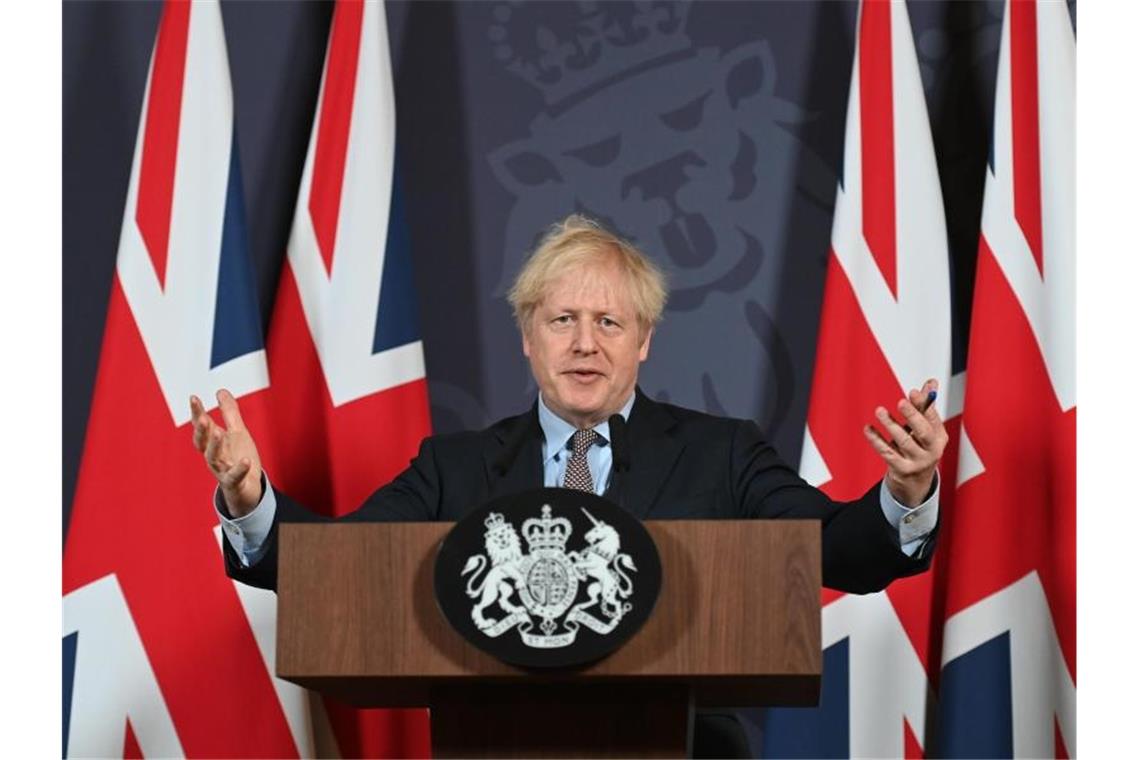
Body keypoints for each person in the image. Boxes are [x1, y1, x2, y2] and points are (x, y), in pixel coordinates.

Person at [192, 213, 947, 755]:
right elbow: (339, 570)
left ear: (645, 341)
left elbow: (836, 550)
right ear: (527, 338)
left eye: (610, 323)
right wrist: (251, 498)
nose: (585, 344)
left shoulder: (722, 456)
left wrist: (905, 494)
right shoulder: (454, 467)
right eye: (562, 320)